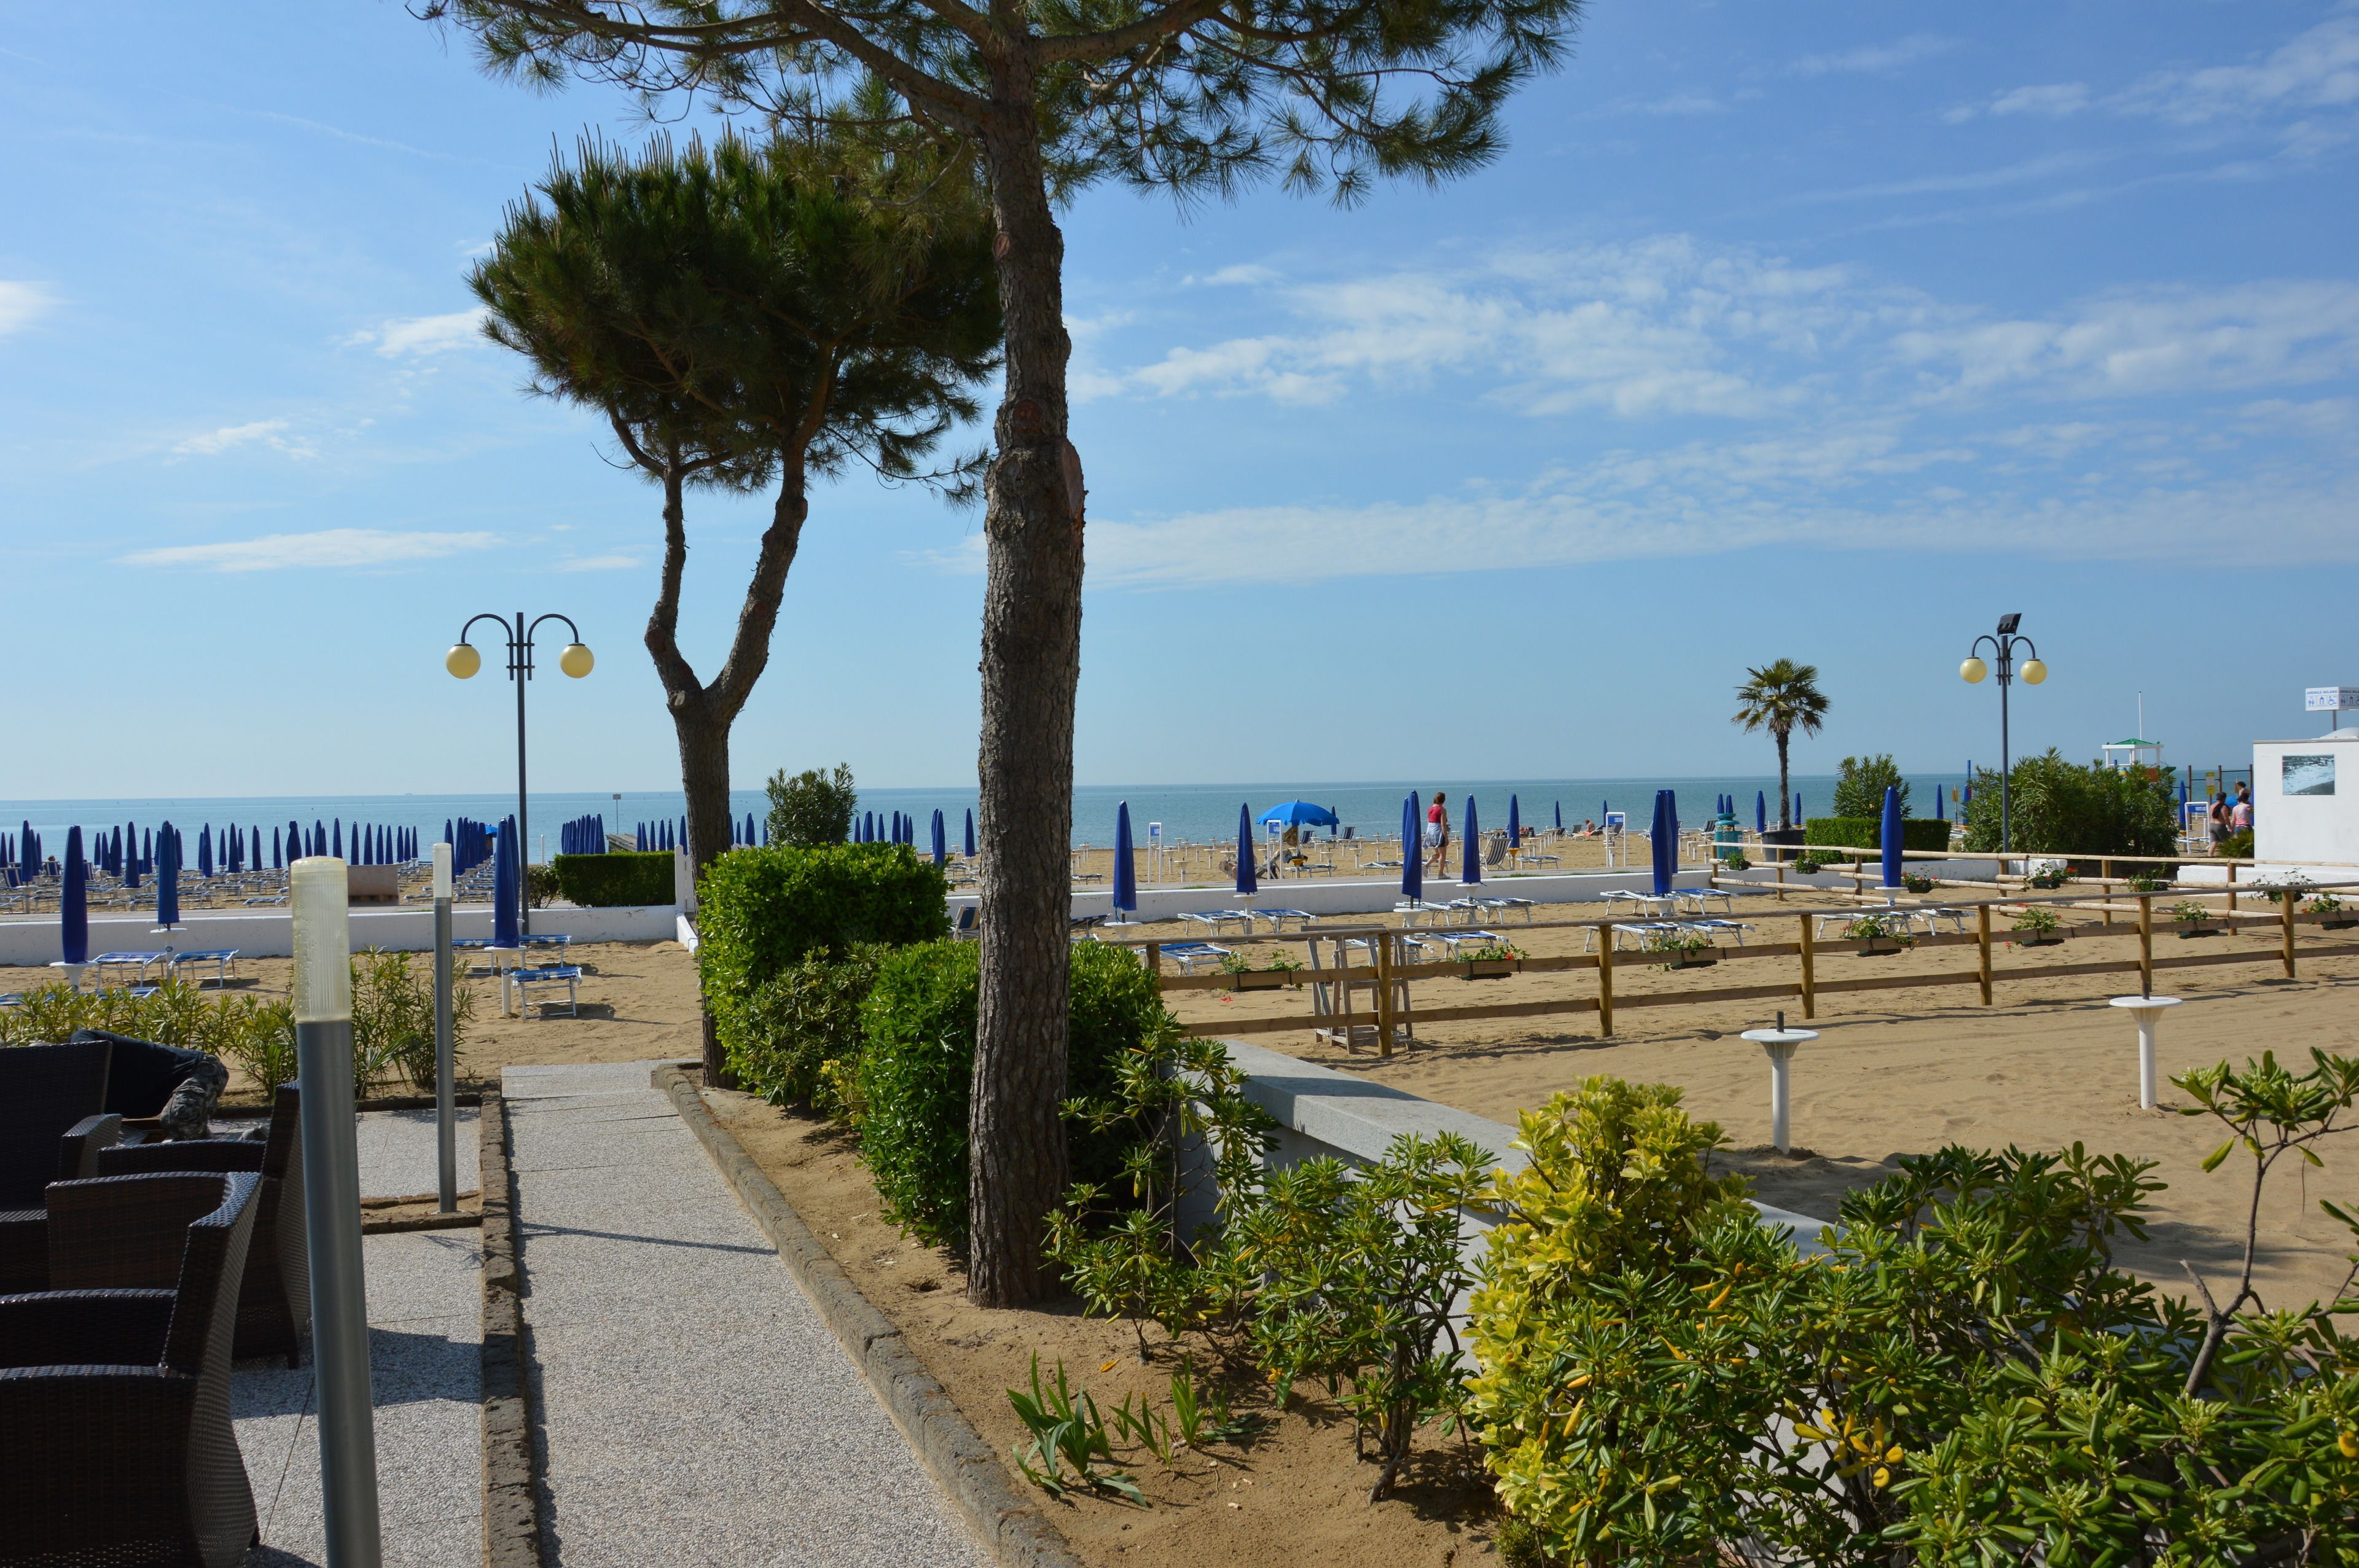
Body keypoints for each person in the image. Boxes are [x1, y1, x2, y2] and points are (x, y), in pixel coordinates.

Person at [1425, 792, 1450, 874]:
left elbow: (1429, 821)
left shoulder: (1430, 809)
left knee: (1438, 854)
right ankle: (1441, 873)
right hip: (1438, 833)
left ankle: (1426, 866)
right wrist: (1446, 838)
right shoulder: (1442, 810)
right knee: (1443, 854)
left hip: (1430, 832)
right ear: (1444, 800)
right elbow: (1443, 824)